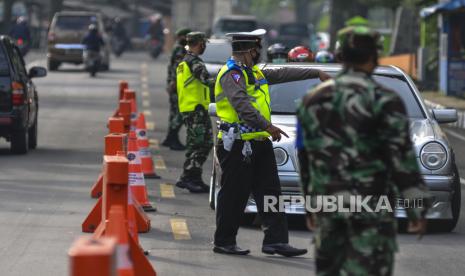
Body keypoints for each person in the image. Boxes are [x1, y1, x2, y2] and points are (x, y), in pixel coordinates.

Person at [296, 26, 432, 275]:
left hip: (329, 206)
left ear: (340, 56)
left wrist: (310, 205)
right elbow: (402, 160)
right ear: (374, 57)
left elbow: (305, 157)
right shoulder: (385, 99)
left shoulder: (312, 100)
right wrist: (417, 208)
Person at [213, 29, 331, 256]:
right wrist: (267, 126)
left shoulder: (253, 72)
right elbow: (242, 106)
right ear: (248, 51)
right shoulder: (232, 74)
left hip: (259, 143)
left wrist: (316, 72)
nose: (258, 53)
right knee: (234, 195)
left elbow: (284, 73)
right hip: (237, 145)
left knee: (271, 193)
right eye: (256, 50)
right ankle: (224, 241)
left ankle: (275, 241)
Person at [175, 32, 214, 193]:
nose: (205, 46)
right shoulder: (195, 62)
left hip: (189, 108)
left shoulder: (184, 62)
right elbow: (207, 81)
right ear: (200, 44)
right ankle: (188, 177)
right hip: (196, 109)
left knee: (196, 144)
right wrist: (227, 79)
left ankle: (194, 177)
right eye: (204, 43)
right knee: (202, 144)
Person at [162, 28, 191, 150]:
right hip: (177, 87)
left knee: (174, 114)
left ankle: (170, 138)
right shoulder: (180, 49)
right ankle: (172, 139)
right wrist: (174, 82)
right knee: (178, 114)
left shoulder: (178, 47)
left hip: (174, 85)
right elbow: (177, 67)